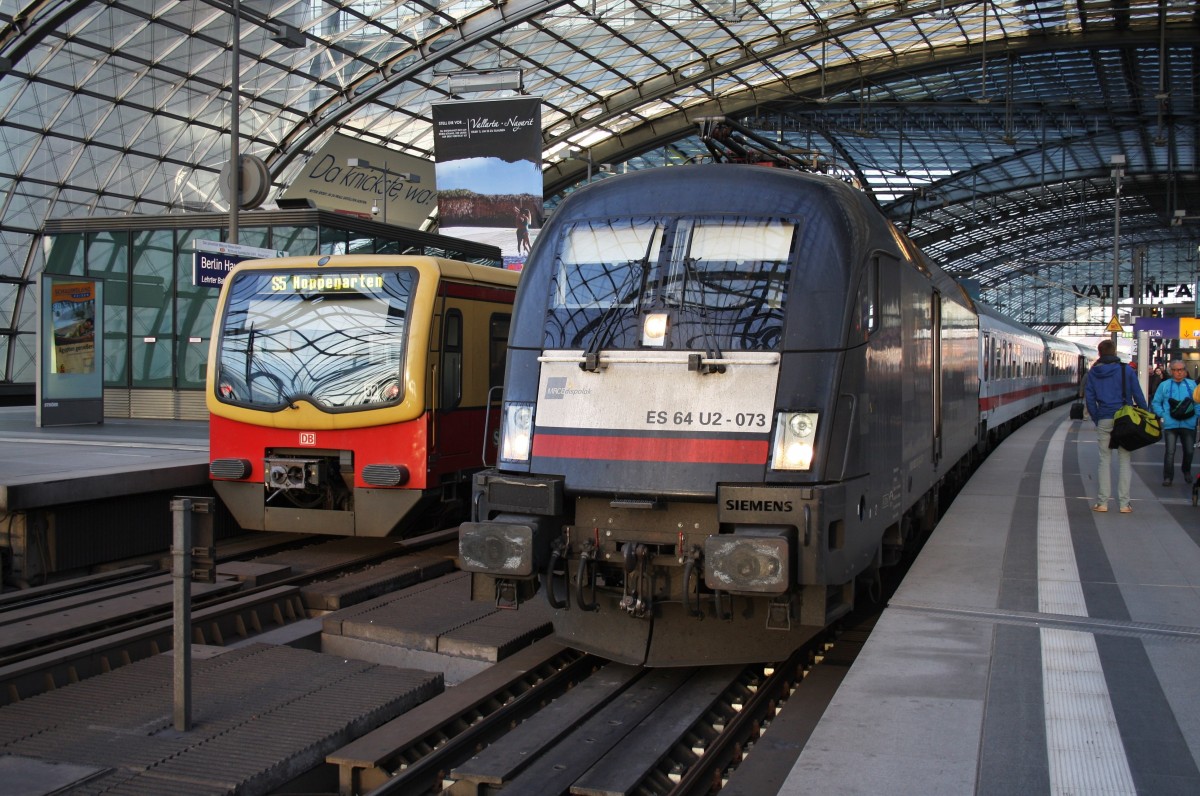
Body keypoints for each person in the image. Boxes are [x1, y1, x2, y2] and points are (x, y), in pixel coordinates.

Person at [1084, 339, 1147, 513]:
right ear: (1115, 352)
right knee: (1124, 460)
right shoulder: (1126, 370)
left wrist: (1097, 418)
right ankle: (1124, 504)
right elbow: (1138, 395)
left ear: (1099, 353)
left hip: (1104, 417)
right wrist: (1145, 414)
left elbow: (1089, 399)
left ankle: (1102, 503)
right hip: (1125, 420)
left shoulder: (1094, 373)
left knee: (1104, 460)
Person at [1151, 360, 1196, 486]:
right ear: (1171, 371)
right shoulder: (1164, 385)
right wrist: (1163, 414)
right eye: (1176, 370)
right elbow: (1156, 402)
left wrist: (1196, 415)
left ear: (1185, 371)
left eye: (1181, 369)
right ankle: (1168, 477)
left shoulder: (1192, 385)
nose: (1179, 372)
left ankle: (1186, 470)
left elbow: (1197, 402)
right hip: (1171, 424)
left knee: (1189, 451)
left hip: (1188, 423)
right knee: (1170, 451)